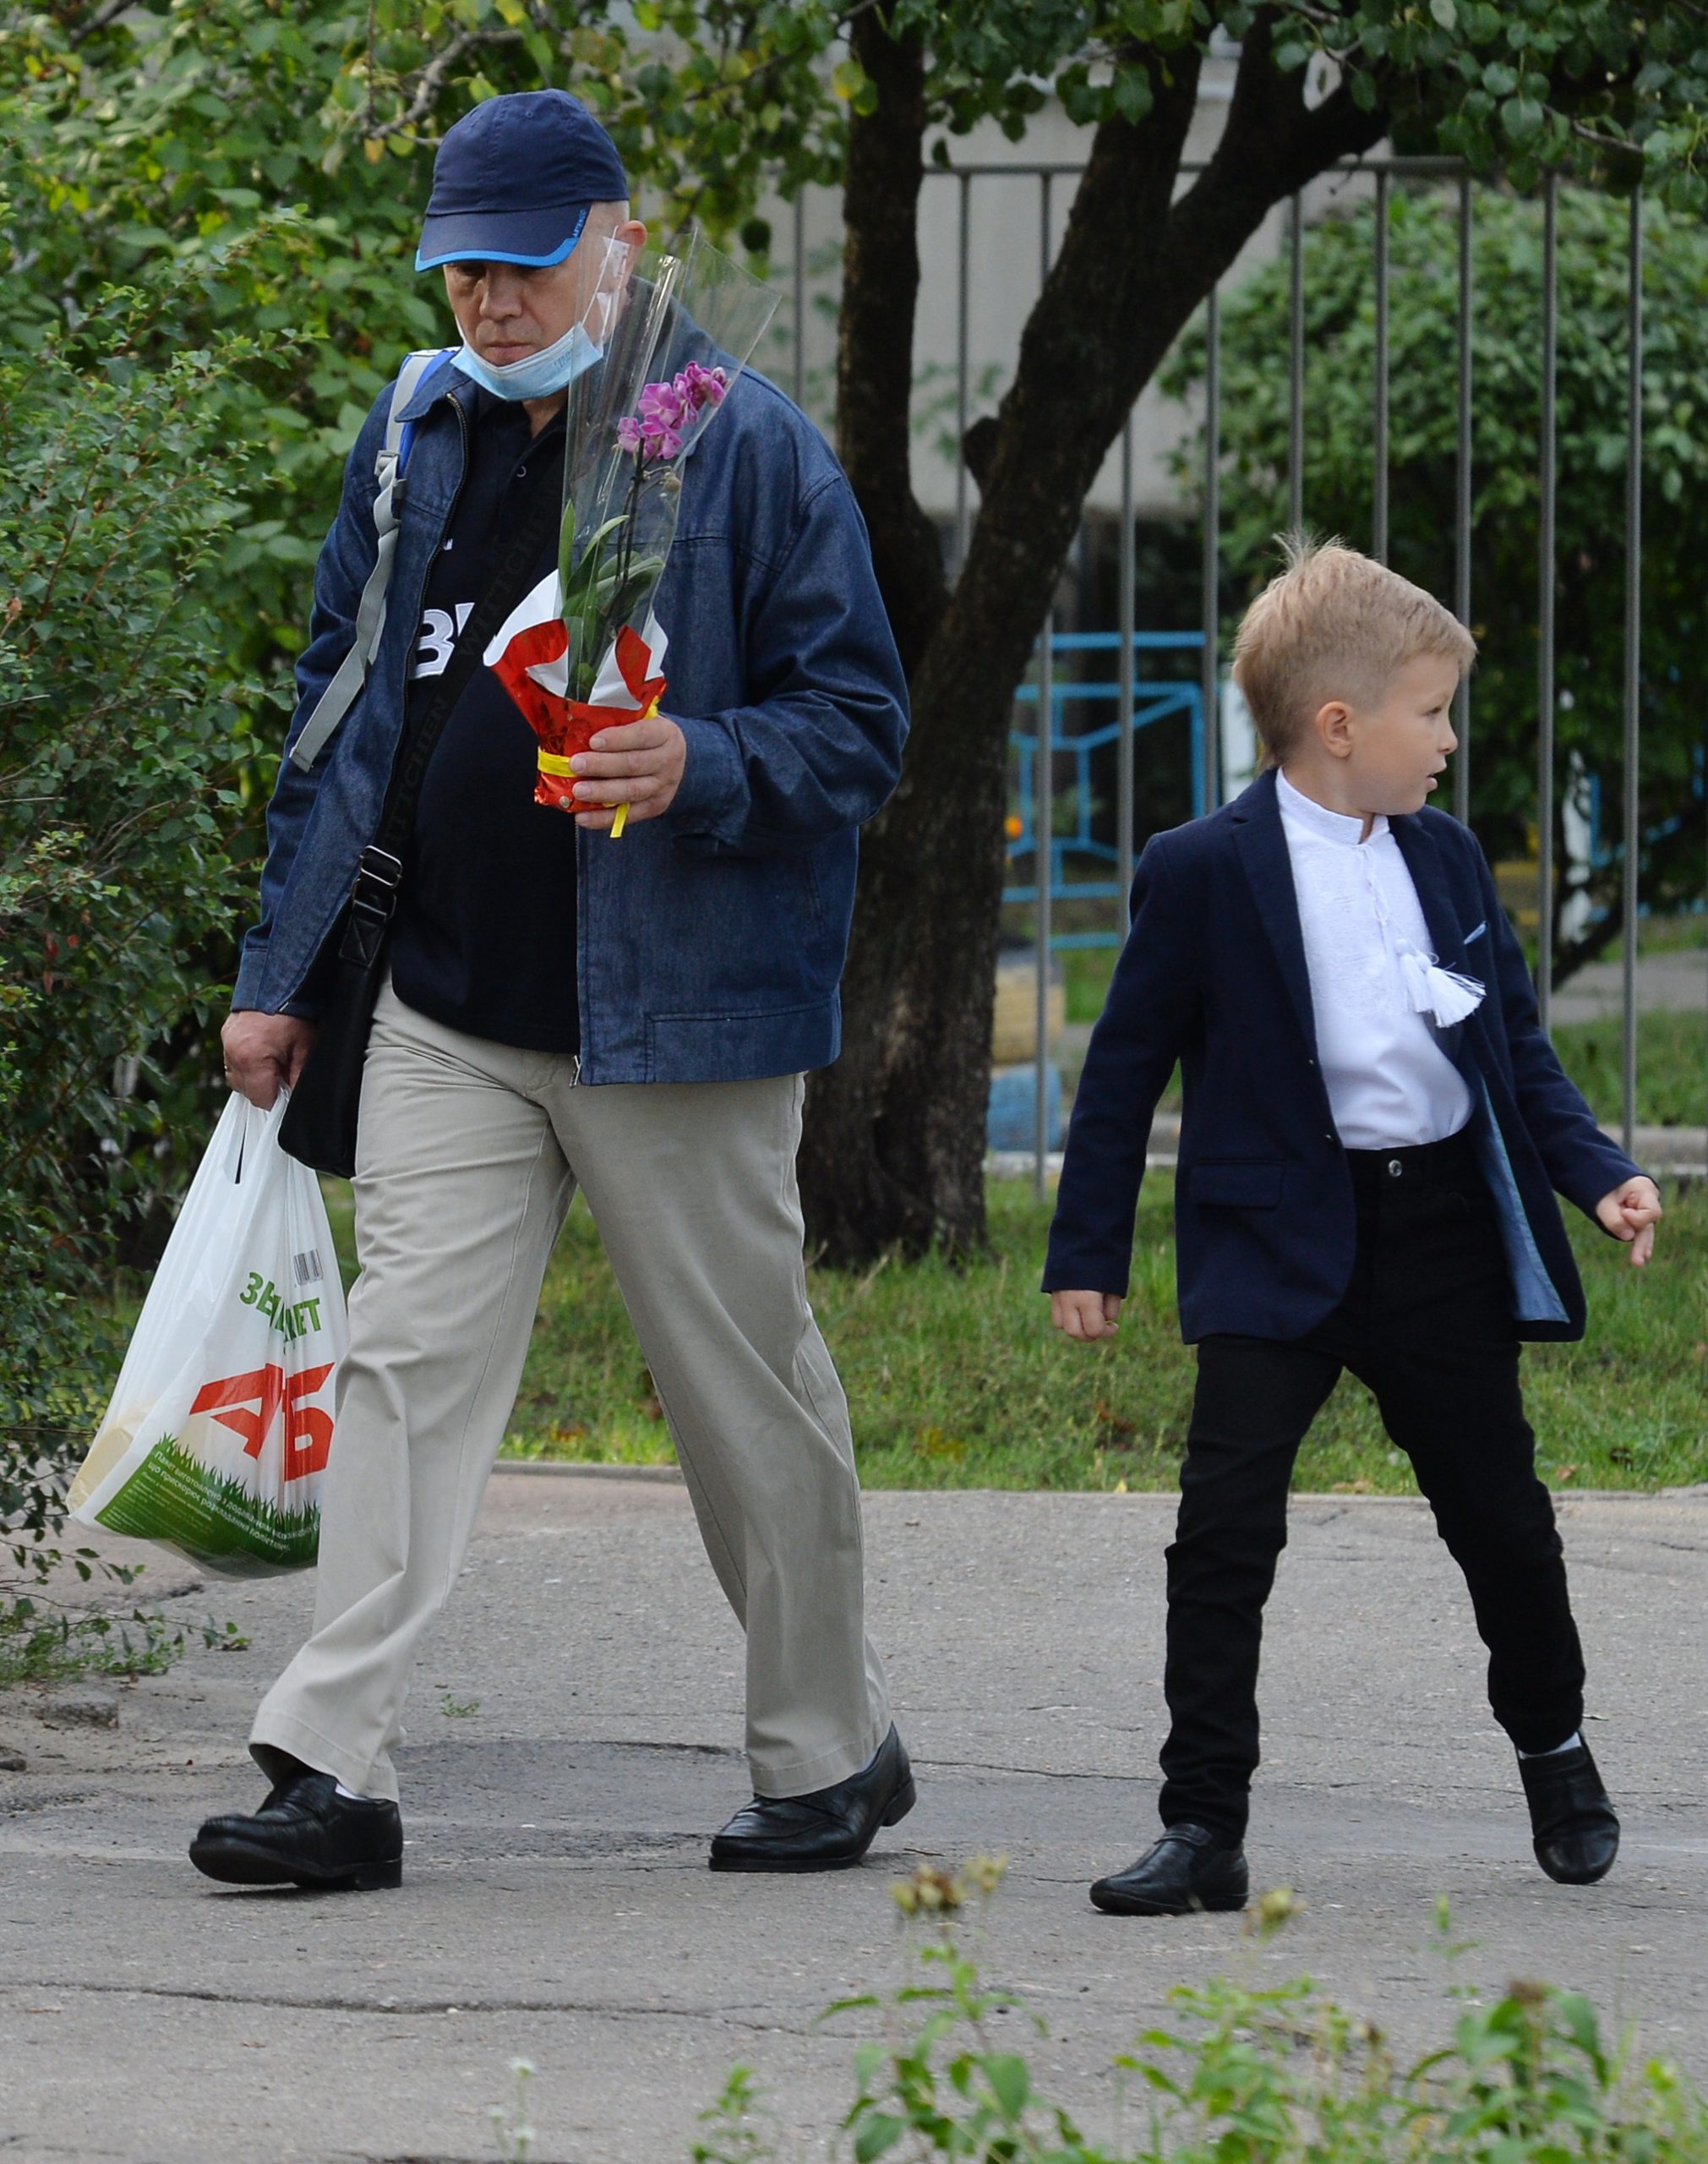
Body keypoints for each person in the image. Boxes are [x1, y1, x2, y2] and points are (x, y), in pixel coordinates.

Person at [191, 89, 915, 1891]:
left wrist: (702, 762)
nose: (491, 306)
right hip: (448, 1002)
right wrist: (277, 975)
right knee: (404, 1370)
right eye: (463, 272)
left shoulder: (745, 450)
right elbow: (341, 712)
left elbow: (863, 725)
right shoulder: (415, 433)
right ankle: (330, 1764)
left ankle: (828, 1748)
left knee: (741, 1387)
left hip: (680, 1021)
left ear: (620, 241)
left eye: (523, 266)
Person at [1045, 538, 1662, 1918]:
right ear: (1338, 727)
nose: (1447, 740)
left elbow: (1512, 1049)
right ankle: (1202, 1824)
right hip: (1273, 1244)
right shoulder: (1201, 868)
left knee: (1501, 1521)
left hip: (1433, 1230)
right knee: (1220, 1537)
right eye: (1430, 711)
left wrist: (1596, 1171)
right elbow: (1123, 1071)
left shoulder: (1442, 860)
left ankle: (1553, 1752)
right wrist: (1087, 1252)